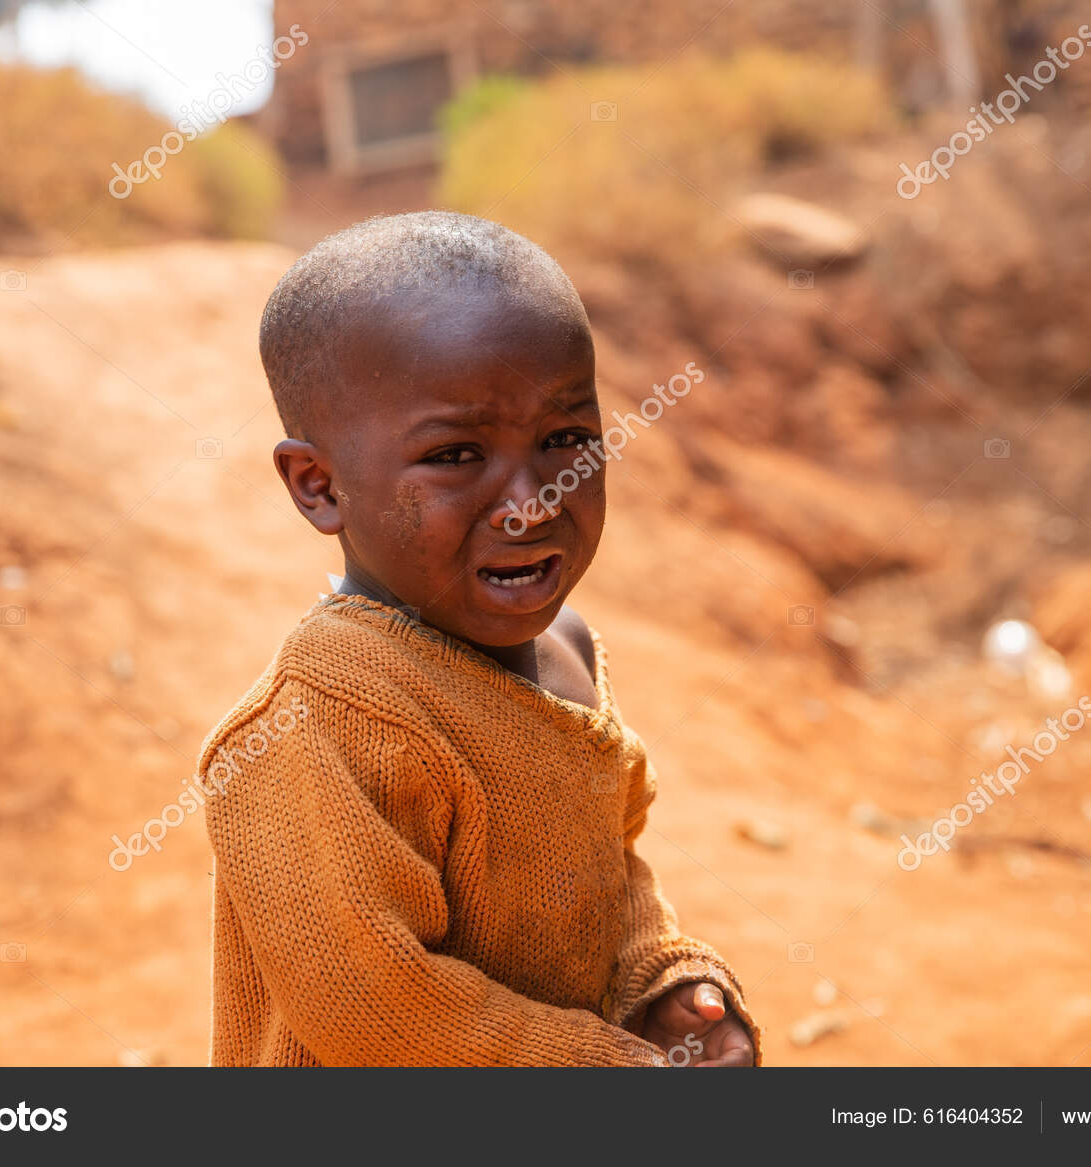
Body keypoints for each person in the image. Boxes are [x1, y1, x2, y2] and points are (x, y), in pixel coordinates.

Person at [198, 211, 761, 1067]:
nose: (532, 501)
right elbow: (375, 1009)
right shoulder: (320, 719)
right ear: (318, 484)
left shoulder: (567, 650)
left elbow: (606, 876)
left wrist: (661, 986)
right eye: (457, 455)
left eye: (565, 440)